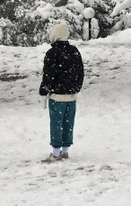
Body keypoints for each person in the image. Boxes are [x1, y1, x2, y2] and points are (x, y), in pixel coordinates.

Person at [38, 22, 84, 162]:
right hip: (71, 95)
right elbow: (80, 72)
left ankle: (56, 153)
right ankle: (65, 151)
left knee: (56, 123)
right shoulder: (74, 51)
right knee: (68, 123)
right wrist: (76, 87)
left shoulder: (52, 53)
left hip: (57, 96)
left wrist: (43, 91)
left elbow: (48, 75)